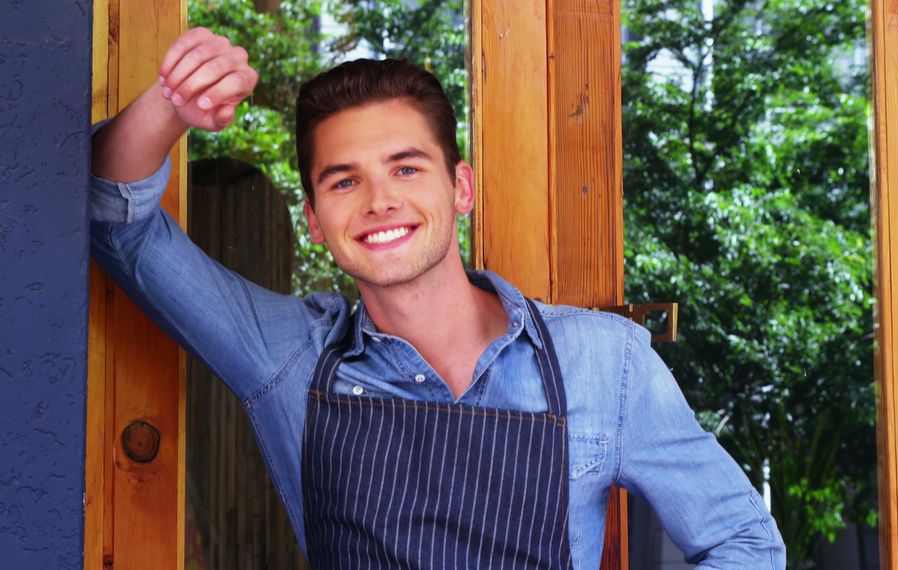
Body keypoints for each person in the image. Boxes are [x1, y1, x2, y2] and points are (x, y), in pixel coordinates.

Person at [90, 27, 785, 569]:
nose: (379, 200)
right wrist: (171, 106)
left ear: (462, 188)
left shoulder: (607, 361)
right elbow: (119, 226)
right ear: (315, 221)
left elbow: (744, 544)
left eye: (405, 167)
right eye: (343, 181)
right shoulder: (287, 355)